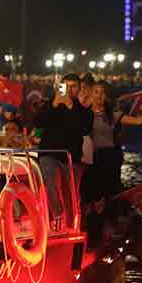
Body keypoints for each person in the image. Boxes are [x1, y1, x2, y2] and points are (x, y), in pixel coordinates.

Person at [85, 81, 142, 202]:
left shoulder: (113, 115)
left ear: (106, 96)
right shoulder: (83, 114)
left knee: (110, 192)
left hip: (109, 157)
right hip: (90, 158)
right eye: (96, 92)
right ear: (91, 94)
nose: (99, 96)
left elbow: (137, 121)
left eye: (103, 93)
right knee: (93, 193)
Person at [34, 73, 93, 231]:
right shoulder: (51, 105)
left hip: (71, 156)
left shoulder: (83, 110)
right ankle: (57, 216)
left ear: (79, 89)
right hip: (49, 152)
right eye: (66, 86)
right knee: (49, 181)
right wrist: (54, 104)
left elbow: (83, 128)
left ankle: (74, 223)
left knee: (71, 192)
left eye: (73, 87)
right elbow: (38, 122)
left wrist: (70, 106)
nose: (69, 90)